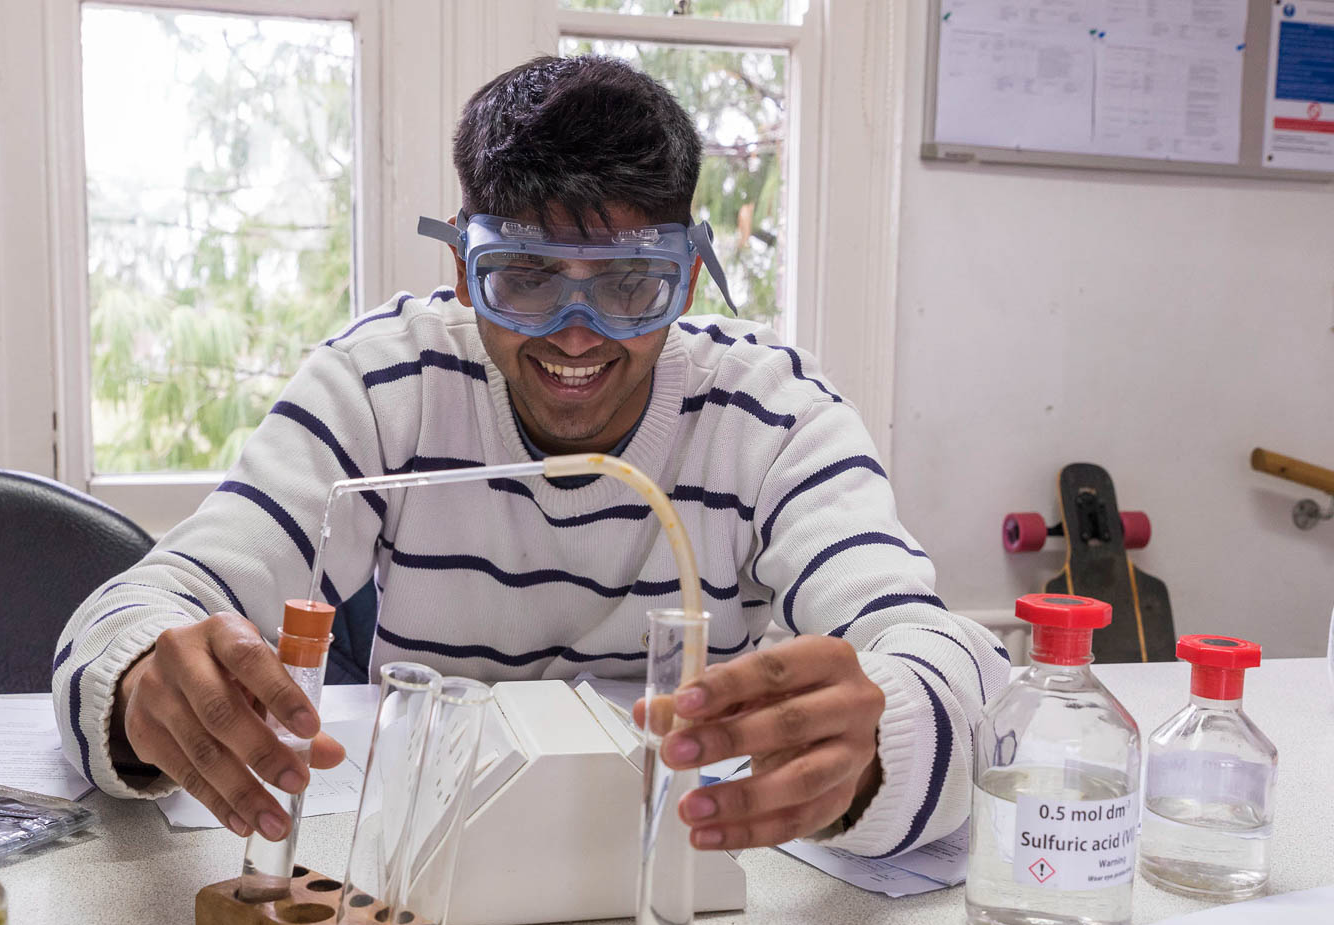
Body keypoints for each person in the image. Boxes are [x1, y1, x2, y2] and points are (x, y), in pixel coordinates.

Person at [53, 54, 1007, 860]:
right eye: (526, 279)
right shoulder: (389, 383)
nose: (578, 336)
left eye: (633, 284)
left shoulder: (773, 417)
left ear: (686, 280)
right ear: (464, 274)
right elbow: (146, 603)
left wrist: (875, 747)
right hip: (431, 869)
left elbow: (947, 659)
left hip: (683, 863)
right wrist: (140, 682)